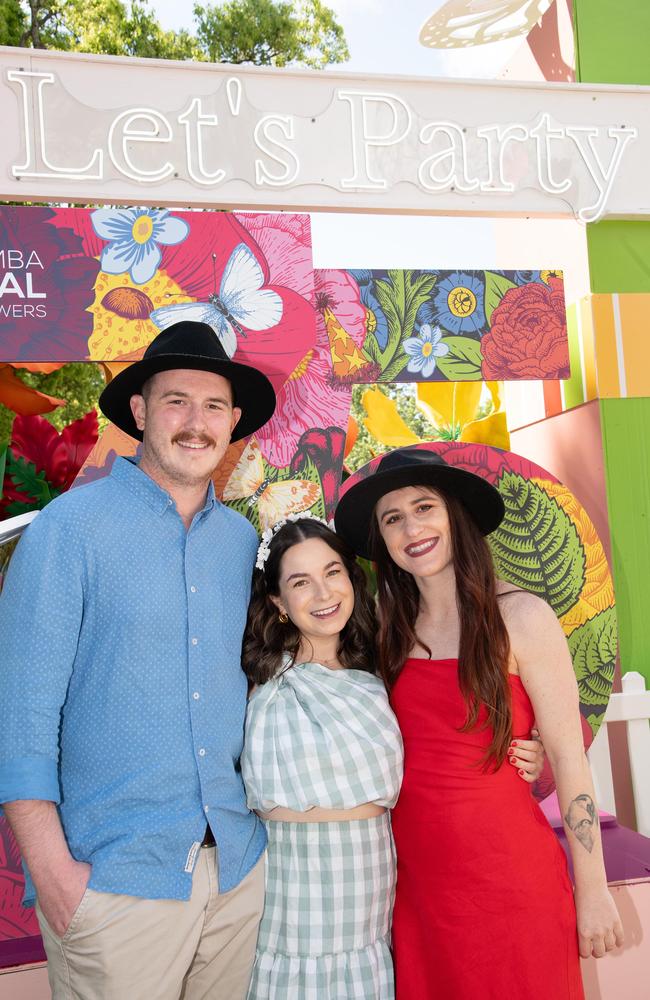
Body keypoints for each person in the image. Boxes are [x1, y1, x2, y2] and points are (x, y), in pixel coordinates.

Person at [0, 321, 276, 1000]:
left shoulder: (243, 544)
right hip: (115, 883)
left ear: (233, 422)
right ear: (141, 411)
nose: (195, 423)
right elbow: (21, 711)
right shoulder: (68, 530)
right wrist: (56, 876)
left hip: (240, 873)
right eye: (176, 401)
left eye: (214, 407)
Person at [334, 446, 624, 1000]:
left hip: (513, 884)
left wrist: (593, 891)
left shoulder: (521, 618)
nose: (411, 528)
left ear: (455, 516)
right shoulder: (383, 635)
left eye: (424, 508)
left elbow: (567, 759)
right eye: (392, 519)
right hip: (417, 894)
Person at [239, 513, 544, 1000]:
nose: (323, 594)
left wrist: (532, 741)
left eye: (332, 572)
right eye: (300, 582)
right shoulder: (257, 678)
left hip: (372, 914)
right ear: (277, 600)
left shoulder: (380, 668)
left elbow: (440, 731)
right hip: (296, 912)